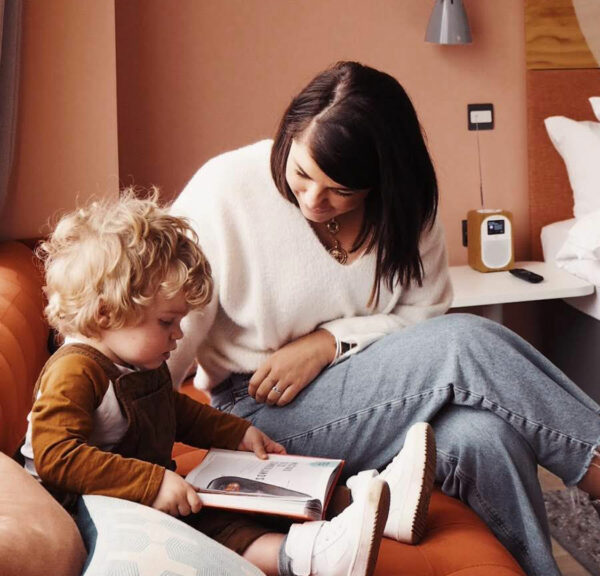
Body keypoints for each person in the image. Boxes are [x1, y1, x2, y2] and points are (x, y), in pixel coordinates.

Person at [168, 61, 600, 575]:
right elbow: (166, 333)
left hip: (376, 390)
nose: (312, 201)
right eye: (300, 175)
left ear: (381, 181)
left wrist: (330, 341)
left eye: (340, 190)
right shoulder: (226, 192)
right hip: (263, 413)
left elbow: (424, 310)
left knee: (486, 436)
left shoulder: (407, 206)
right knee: (466, 344)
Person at [20, 194, 436, 576]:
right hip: (83, 505)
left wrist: (235, 432)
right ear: (108, 314)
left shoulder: (136, 359)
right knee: (211, 520)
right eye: (168, 322)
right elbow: (57, 456)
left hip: (137, 486)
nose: (179, 335)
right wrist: (151, 484)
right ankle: (309, 558)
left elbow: (175, 410)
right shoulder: (75, 371)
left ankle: (376, 503)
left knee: (243, 490)